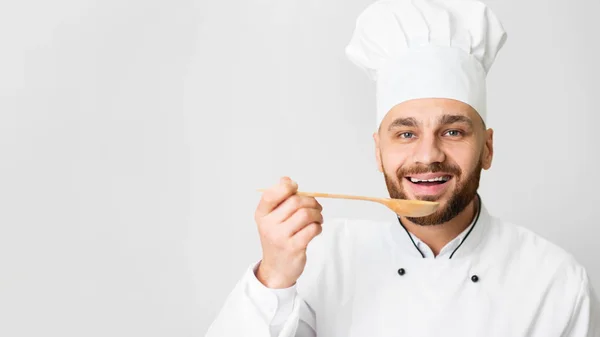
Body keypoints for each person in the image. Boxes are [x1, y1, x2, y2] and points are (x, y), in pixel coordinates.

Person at [205, 0, 600, 336]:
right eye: (406, 134)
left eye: (453, 131)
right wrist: (273, 276)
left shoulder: (555, 280)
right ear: (378, 152)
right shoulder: (320, 259)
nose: (429, 155)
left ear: (488, 149)